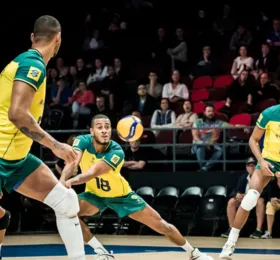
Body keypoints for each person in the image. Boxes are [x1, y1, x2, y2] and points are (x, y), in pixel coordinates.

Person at [60, 114, 213, 260]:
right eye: (99, 127)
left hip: (121, 196)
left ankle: (194, 253)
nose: (104, 130)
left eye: (107, 127)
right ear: (92, 131)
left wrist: (71, 181)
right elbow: (73, 162)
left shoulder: (116, 151)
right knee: (67, 212)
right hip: (94, 194)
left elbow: (93, 172)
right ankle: (101, 252)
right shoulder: (81, 141)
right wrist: (62, 179)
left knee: (162, 226)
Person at [0, 15, 86, 259]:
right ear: (58, 39)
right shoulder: (33, 65)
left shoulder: (23, 61)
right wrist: (56, 145)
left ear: (32, 37)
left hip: (16, 159)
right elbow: (17, 114)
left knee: (67, 202)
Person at [219, 80, 280, 259]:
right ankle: (230, 243)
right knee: (250, 198)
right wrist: (262, 162)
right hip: (269, 161)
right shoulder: (269, 113)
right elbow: (252, 140)